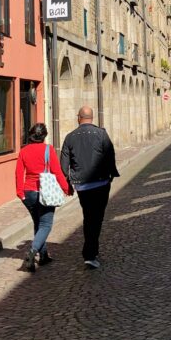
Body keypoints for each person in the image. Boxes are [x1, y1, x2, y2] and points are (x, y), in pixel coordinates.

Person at [60, 106, 119, 270]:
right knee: (97, 217)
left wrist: (68, 183)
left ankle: (92, 251)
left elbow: (64, 165)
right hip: (100, 183)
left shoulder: (70, 137)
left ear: (79, 118)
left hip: (82, 186)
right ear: (92, 118)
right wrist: (111, 175)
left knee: (88, 216)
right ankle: (90, 253)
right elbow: (110, 155)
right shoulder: (101, 134)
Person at [15, 122, 71, 273]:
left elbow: (19, 173)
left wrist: (20, 192)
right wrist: (66, 188)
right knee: (46, 225)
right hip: (45, 192)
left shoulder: (24, 151)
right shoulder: (48, 149)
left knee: (38, 224)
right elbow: (57, 172)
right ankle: (32, 252)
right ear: (44, 136)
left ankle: (44, 255)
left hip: (28, 192)